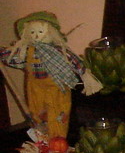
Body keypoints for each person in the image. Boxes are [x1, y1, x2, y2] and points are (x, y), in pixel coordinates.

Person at [1, 10, 101, 144]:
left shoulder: (59, 52)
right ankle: (43, 141)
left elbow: (73, 61)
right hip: (35, 88)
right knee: (37, 112)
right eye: (32, 32)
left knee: (58, 112)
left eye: (40, 32)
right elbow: (13, 58)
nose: (36, 35)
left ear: (50, 32)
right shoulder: (26, 51)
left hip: (57, 87)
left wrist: (85, 74)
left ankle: (58, 139)